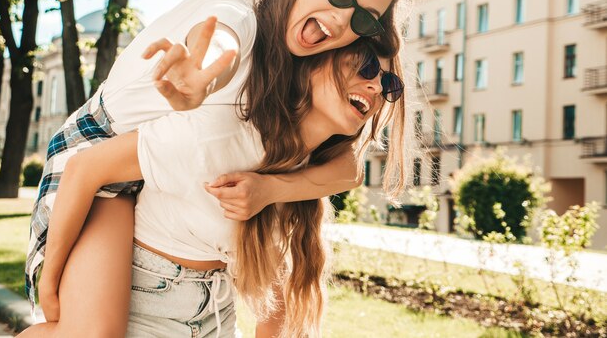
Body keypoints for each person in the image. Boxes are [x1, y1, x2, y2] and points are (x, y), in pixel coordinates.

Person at [23, 0, 414, 335]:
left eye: (365, 20)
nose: (341, 18)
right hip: (98, 149)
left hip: (150, 178)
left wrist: (270, 190)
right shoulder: (242, 14)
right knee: (92, 333)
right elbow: (219, 38)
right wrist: (203, 78)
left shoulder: (288, 84)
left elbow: (348, 169)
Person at [23, 40, 405, 338]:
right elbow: (85, 167)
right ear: (314, 65)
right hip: (140, 300)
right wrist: (50, 285)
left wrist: (271, 189)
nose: (375, 85)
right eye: (365, 66)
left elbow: (278, 301)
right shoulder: (225, 131)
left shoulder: (307, 174)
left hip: (213, 315)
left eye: (389, 83)